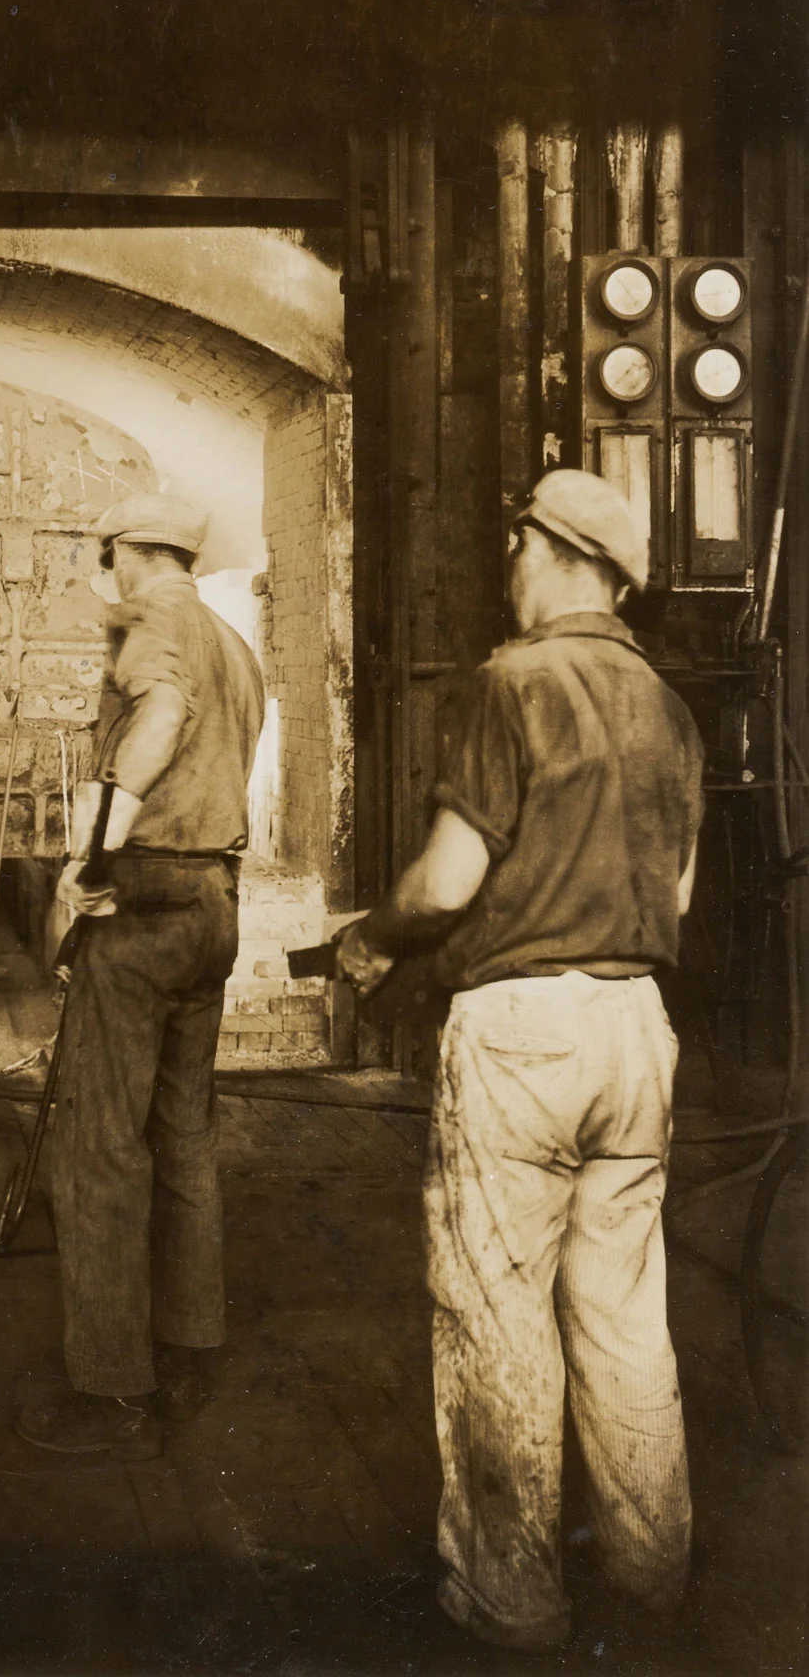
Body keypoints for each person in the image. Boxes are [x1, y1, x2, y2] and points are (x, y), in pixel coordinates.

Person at [337, 467, 704, 1653]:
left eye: (513, 542)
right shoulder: (669, 706)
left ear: (549, 548)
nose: (505, 562)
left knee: (498, 1314)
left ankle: (511, 1597)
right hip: (636, 1023)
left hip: (522, 1034)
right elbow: (677, 893)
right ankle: (652, 1575)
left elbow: (446, 881)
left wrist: (368, 936)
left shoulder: (512, 681)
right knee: (622, 1315)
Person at [15, 492, 265, 1462]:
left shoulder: (156, 616)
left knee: (100, 1146)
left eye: (106, 553)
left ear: (129, 549)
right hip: (213, 902)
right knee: (185, 1132)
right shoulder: (229, 639)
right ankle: (192, 1344)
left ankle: (110, 1381)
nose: (106, 571)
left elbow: (159, 713)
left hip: (145, 900)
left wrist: (87, 856)